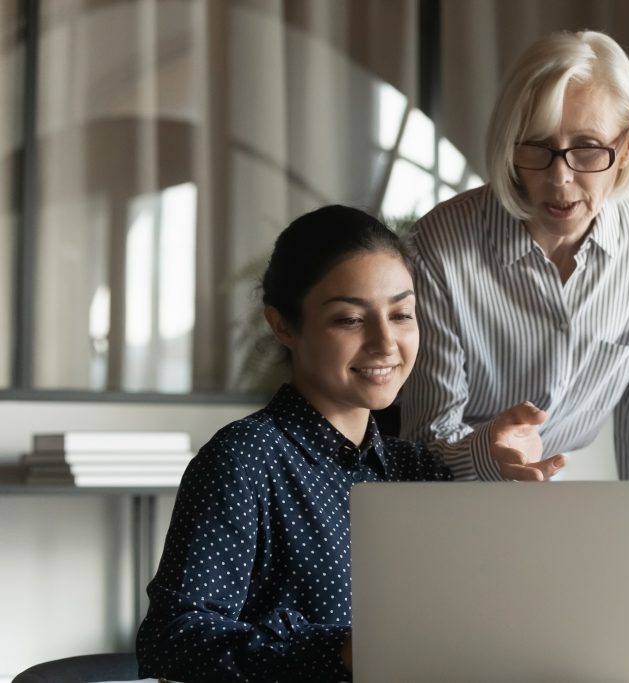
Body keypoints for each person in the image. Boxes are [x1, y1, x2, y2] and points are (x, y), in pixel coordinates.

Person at [136, 205, 457, 682]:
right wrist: (337, 651)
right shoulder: (244, 459)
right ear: (283, 325)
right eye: (350, 319)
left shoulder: (418, 470)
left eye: (402, 314)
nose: (385, 342)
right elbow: (172, 642)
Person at [401, 29, 629, 481]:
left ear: (627, 148)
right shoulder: (440, 245)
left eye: (588, 149)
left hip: (560, 509)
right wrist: (488, 456)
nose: (560, 179)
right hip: (453, 505)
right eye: (537, 146)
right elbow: (424, 447)